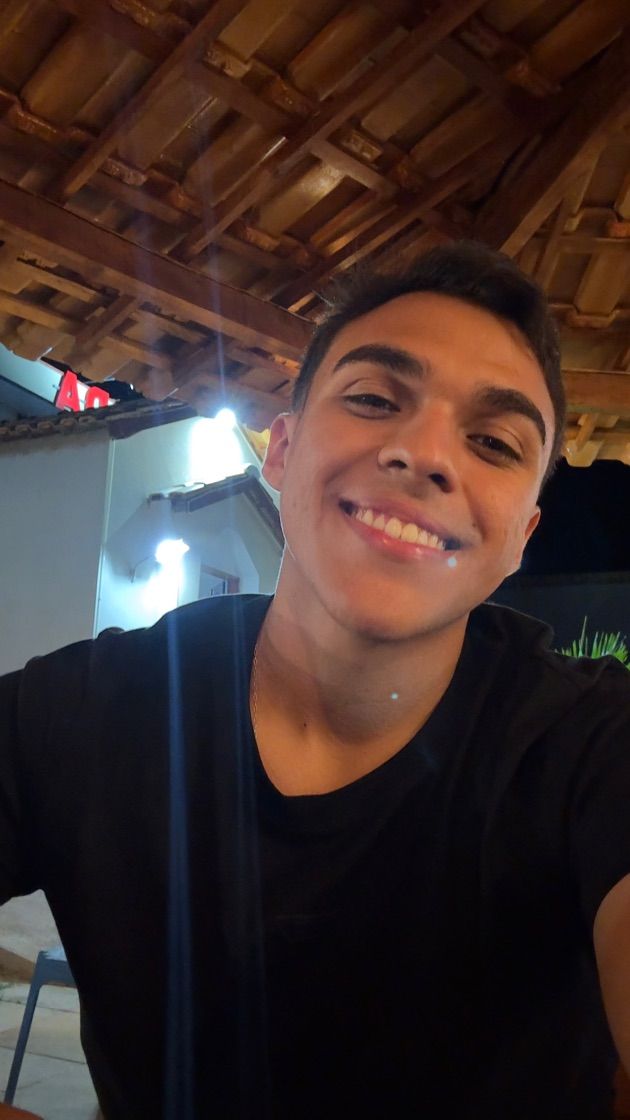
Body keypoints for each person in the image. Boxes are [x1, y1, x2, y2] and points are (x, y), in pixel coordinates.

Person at [2, 241, 630, 1120]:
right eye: (374, 398)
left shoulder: (590, 746)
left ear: (522, 537)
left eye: (493, 441)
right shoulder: (98, 708)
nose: (424, 453)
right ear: (284, 450)